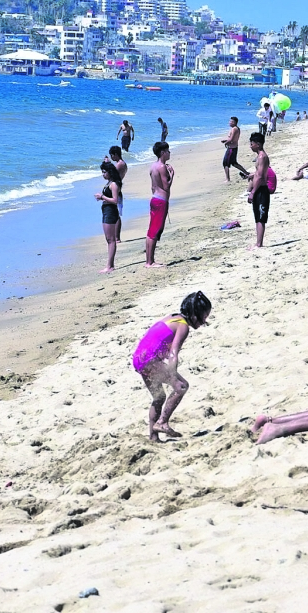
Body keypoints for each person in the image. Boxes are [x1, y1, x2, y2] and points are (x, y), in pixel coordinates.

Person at [133, 291, 212, 440]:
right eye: (204, 318)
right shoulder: (183, 327)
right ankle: (162, 422)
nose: (203, 323)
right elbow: (173, 353)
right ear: (195, 315)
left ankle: (153, 437)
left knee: (159, 397)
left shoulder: (173, 318)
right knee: (181, 386)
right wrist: (173, 374)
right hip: (150, 360)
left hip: (139, 359)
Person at [146, 141, 173, 268]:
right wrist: (172, 175)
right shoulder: (162, 167)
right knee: (155, 231)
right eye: (168, 151)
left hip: (155, 198)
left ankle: (149, 260)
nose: (169, 153)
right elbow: (166, 186)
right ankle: (150, 262)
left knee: (151, 230)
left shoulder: (153, 166)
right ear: (162, 153)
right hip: (161, 201)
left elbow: (153, 186)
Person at [95, 160, 122, 273]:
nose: (103, 174)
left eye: (104, 172)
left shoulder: (113, 184)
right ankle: (109, 265)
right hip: (106, 211)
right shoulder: (109, 183)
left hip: (110, 212)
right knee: (109, 239)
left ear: (110, 172)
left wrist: (102, 197)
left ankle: (110, 266)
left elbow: (115, 200)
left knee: (111, 240)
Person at [247, 132, 270, 249]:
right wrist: (252, 174)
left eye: (252, 144)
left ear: (258, 144)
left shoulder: (262, 157)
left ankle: (259, 244)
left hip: (261, 190)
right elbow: (259, 173)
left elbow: (261, 177)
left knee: (261, 218)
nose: (250, 146)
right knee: (257, 216)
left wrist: (252, 192)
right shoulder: (260, 156)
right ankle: (258, 242)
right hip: (259, 190)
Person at [108, 145, 128, 244]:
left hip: (117, 189)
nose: (112, 157)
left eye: (112, 155)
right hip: (118, 188)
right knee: (116, 213)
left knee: (116, 214)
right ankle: (116, 237)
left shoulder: (120, 164)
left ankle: (117, 238)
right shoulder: (122, 164)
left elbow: (112, 175)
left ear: (115, 154)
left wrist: (107, 164)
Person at [221, 116, 250, 183]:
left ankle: (227, 179)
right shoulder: (237, 128)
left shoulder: (234, 129)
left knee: (225, 163)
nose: (229, 122)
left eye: (231, 121)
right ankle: (246, 172)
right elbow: (233, 139)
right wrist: (226, 140)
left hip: (231, 148)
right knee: (234, 163)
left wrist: (226, 142)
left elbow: (231, 139)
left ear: (234, 122)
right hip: (234, 147)